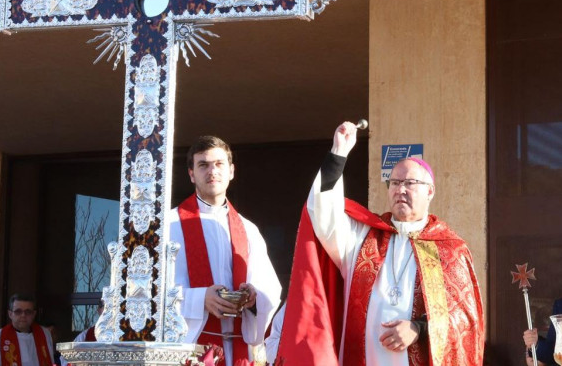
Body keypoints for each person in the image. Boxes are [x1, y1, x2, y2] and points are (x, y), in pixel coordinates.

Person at [275, 122, 485, 365]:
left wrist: (419, 328)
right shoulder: (364, 237)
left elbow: (466, 318)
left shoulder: (449, 248)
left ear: (430, 192)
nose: (400, 190)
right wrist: (338, 153)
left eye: (410, 183)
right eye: (394, 183)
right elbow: (322, 213)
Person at [164, 136, 282, 365]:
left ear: (231, 171)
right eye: (203, 165)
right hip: (188, 349)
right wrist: (200, 299)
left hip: (238, 350)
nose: (212, 171)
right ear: (191, 174)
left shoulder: (248, 230)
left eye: (219, 164)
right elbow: (147, 293)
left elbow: (270, 289)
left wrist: (252, 298)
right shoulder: (167, 226)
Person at [0, 294, 54, 366]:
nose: (23, 315)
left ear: (34, 314)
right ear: (10, 314)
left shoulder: (44, 334)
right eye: (18, 311)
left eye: (28, 312)